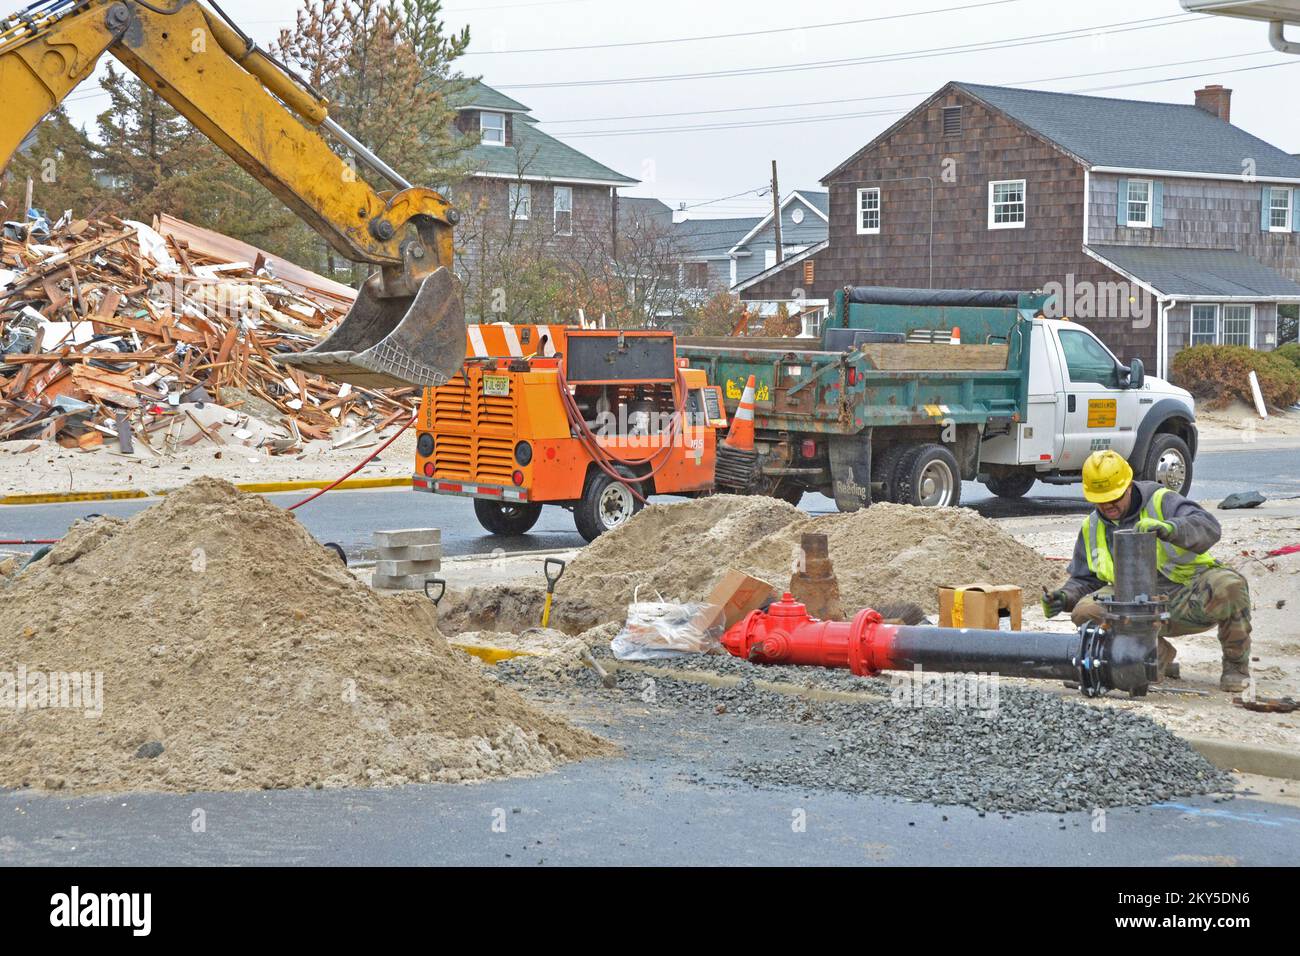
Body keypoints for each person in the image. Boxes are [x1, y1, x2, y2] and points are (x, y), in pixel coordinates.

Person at [1041, 449, 1252, 692]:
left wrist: (1168, 528)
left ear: (1129, 486)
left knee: (1230, 585)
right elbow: (1085, 578)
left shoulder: (1162, 501)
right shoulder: (1092, 527)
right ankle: (1152, 656)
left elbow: (1208, 527)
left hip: (1184, 594)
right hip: (1133, 607)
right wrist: (1064, 596)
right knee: (1085, 610)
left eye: (1114, 497)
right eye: (1100, 499)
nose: (1107, 505)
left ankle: (1236, 666)